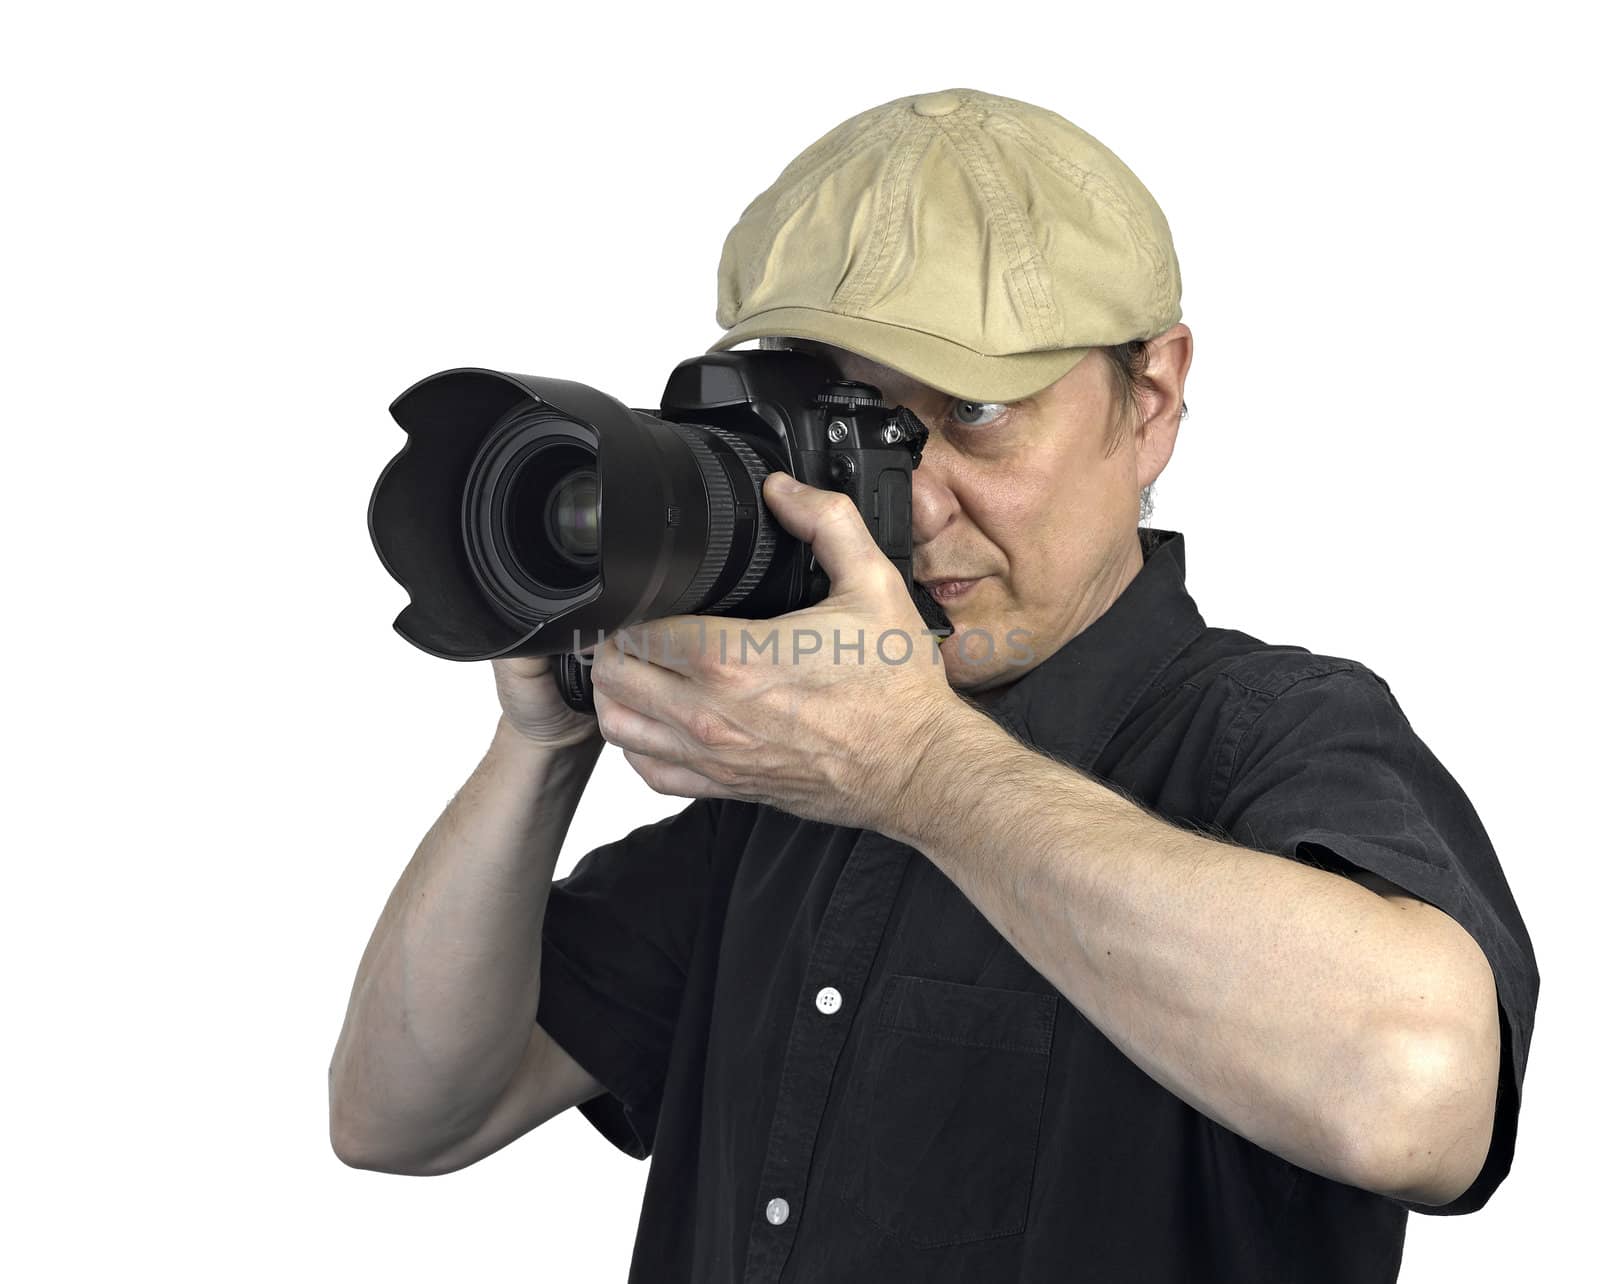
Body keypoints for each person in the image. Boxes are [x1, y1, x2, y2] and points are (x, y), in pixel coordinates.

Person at [328, 88, 1539, 1283]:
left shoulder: (1264, 734)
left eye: (976, 411)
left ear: (1151, 397)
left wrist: (919, 772)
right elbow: (404, 1115)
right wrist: (540, 747)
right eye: (854, 425)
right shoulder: (784, 782)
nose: (912, 504)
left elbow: (1421, 1099)